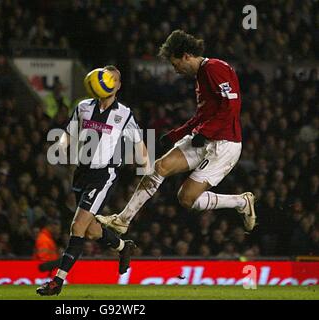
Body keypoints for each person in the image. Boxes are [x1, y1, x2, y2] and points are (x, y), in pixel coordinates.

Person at [96, 30, 256, 236]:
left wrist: (204, 132)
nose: (175, 69)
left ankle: (241, 202)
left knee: (186, 198)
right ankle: (122, 220)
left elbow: (231, 106)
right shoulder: (201, 75)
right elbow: (202, 115)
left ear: (186, 56)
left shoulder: (215, 68)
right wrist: (175, 135)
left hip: (224, 144)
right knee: (160, 166)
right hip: (206, 137)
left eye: (175, 63)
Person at [36, 65, 151, 296]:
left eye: (114, 79)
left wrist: (147, 171)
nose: (109, 81)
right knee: (90, 231)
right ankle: (122, 246)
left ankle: (57, 282)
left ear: (118, 85)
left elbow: (139, 143)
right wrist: (60, 146)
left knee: (76, 226)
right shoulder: (83, 107)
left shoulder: (124, 114)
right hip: (81, 173)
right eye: (106, 77)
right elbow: (69, 132)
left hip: (104, 175)